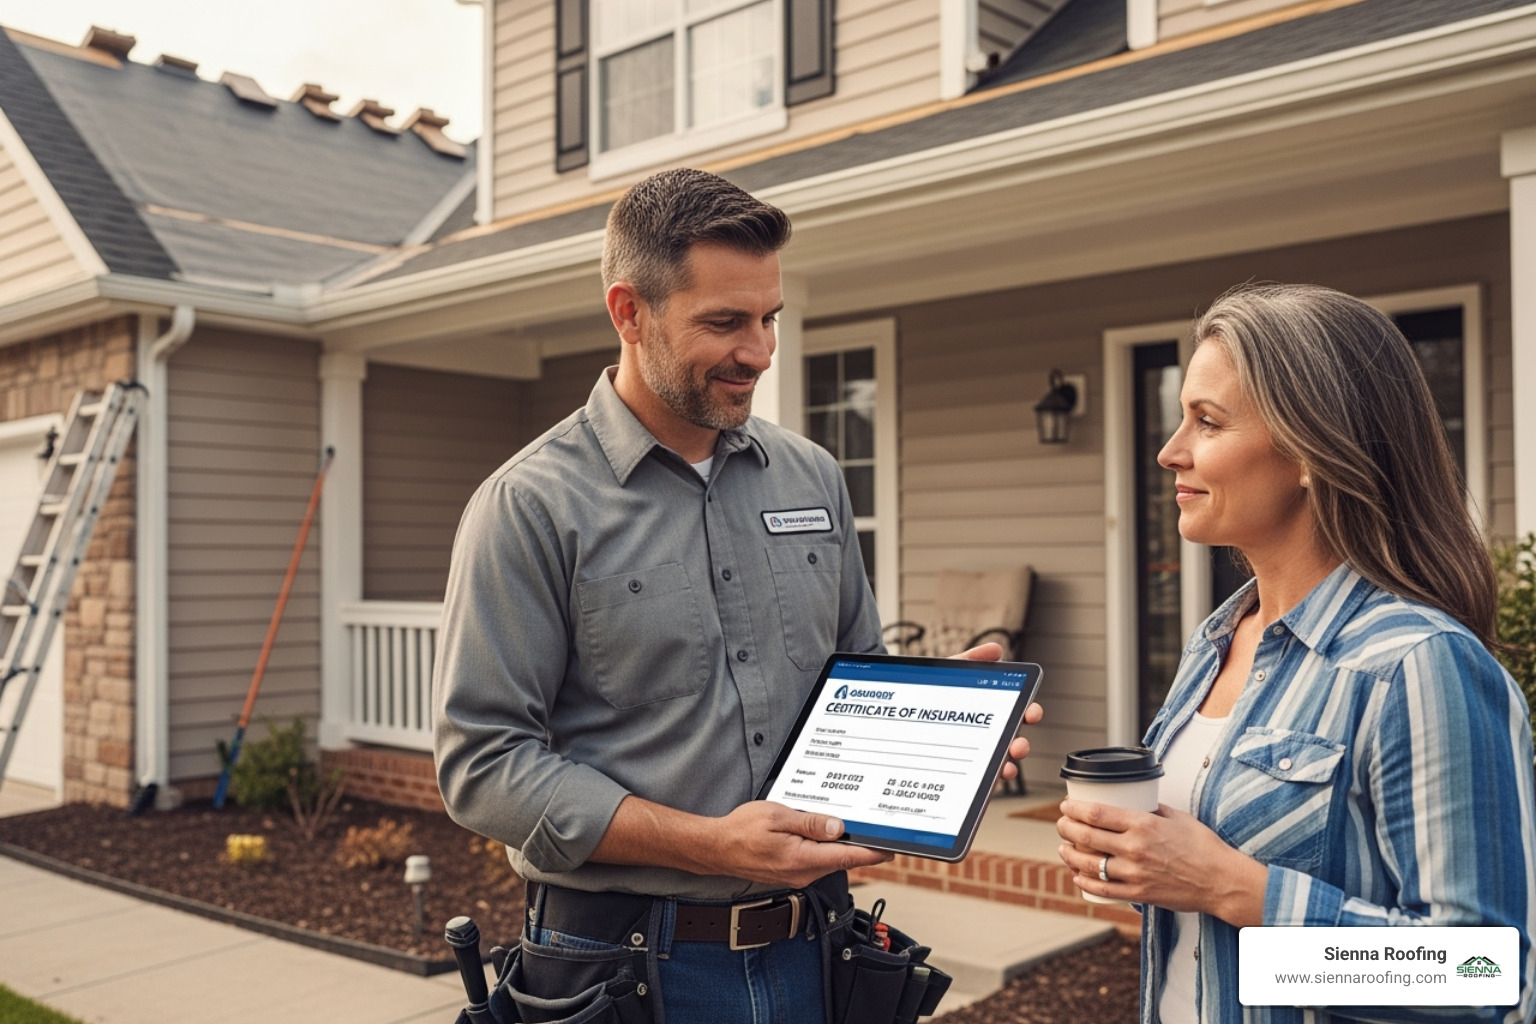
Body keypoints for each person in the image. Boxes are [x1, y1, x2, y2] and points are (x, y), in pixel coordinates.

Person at [433, 168, 1039, 1024]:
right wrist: (707, 843)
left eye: (768, 320)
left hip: (815, 951)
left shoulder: (812, 475)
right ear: (629, 312)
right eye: (724, 322)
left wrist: (943, 731)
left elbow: (850, 682)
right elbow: (483, 764)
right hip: (620, 966)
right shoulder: (530, 505)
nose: (757, 351)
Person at [1056, 283, 1536, 1024]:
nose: (1168, 451)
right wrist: (1130, 851)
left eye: (1207, 422)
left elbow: (1482, 975)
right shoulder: (1216, 640)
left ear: (1311, 452)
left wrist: (1234, 888)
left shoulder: (1416, 665)